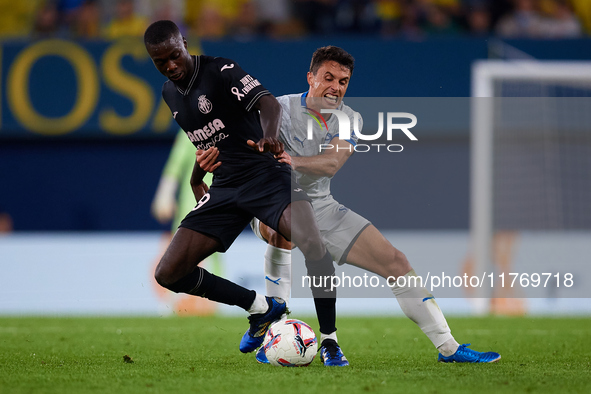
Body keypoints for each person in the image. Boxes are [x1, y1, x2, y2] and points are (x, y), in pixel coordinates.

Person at [198, 45, 501, 364]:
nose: (336, 87)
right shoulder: (278, 108)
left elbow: (332, 163)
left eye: (343, 81)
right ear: (310, 78)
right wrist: (203, 166)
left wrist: (292, 161)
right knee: (282, 232)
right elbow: (228, 138)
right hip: (272, 202)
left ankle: (448, 348)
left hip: (321, 207)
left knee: (395, 261)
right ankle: (273, 327)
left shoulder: (349, 118)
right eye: (328, 78)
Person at [143, 20, 339, 360]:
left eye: (175, 56)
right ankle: (259, 307)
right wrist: (193, 178)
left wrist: (270, 135)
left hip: (265, 174)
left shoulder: (221, 70)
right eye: (161, 62)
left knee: (313, 242)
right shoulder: (169, 93)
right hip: (225, 186)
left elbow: (269, 104)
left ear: (184, 44)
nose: (171, 66)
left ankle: (330, 341)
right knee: (168, 273)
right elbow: (204, 140)